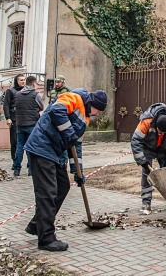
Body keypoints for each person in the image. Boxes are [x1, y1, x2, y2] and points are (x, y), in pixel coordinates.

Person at [23, 87, 108, 252]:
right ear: (94, 105)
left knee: (62, 186)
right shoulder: (74, 98)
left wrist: (78, 171)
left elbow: (76, 145)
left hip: (54, 152)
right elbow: (56, 111)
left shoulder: (85, 119)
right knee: (48, 193)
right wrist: (69, 133)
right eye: (99, 110)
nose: (98, 114)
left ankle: (37, 225)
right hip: (41, 147)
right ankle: (46, 239)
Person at [131, 103, 166, 215]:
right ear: (155, 125)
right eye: (160, 132)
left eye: (164, 133)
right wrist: (142, 161)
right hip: (148, 147)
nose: (162, 134)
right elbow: (135, 141)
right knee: (146, 175)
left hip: (163, 149)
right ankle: (146, 203)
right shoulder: (147, 121)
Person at [13, 75, 44, 177]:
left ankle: (16, 169)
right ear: (34, 84)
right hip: (32, 124)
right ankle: (31, 169)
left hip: (20, 124)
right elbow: (41, 107)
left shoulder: (17, 94)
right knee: (31, 147)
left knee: (19, 147)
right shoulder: (36, 95)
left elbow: (15, 107)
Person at [3, 74, 25, 165]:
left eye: (24, 80)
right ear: (17, 81)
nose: (23, 82)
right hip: (14, 118)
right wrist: (7, 118)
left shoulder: (26, 91)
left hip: (24, 118)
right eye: (21, 80)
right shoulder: (11, 91)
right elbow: (6, 105)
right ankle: (15, 161)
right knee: (15, 141)